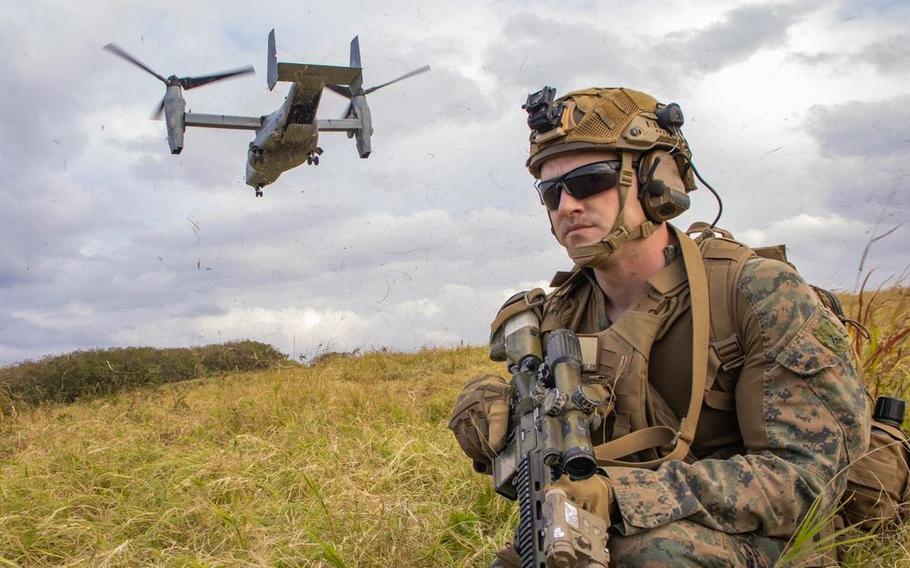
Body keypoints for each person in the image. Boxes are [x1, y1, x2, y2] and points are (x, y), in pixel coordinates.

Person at [448, 87, 869, 567]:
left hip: (770, 542)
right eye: (551, 192)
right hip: (612, 536)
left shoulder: (754, 292)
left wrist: (623, 495)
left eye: (589, 182)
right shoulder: (562, 315)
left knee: (648, 556)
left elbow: (810, 480)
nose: (566, 206)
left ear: (655, 183)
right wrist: (488, 409)